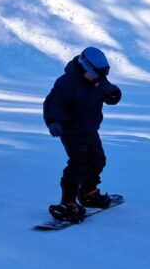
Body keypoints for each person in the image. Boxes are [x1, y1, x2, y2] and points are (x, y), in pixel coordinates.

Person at [42, 47, 123, 222]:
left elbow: (108, 95)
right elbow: (53, 104)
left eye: (103, 75)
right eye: (96, 74)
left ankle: (88, 193)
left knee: (97, 160)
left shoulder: (99, 79)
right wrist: (54, 121)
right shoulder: (67, 82)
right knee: (78, 164)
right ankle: (68, 202)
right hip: (70, 130)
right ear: (85, 67)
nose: (99, 78)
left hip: (90, 128)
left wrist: (114, 95)